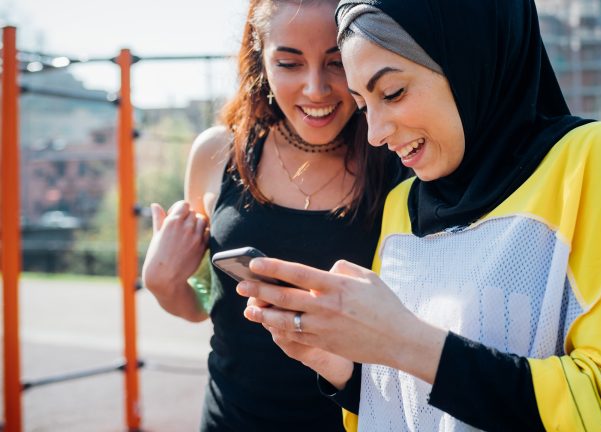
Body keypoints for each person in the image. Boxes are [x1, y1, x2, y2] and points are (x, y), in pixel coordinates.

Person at [236, 0, 601, 431]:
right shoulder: (402, 205)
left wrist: (402, 341)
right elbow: (415, 404)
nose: (375, 133)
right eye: (365, 105)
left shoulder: (589, 162)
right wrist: (346, 370)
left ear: (469, 58)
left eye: (393, 92)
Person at [141, 0, 404, 430]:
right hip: (230, 418)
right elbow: (206, 303)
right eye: (289, 63)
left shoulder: (397, 159)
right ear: (260, 58)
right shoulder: (216, 153)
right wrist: (165, 285)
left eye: (336, 63)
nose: (315, 89)